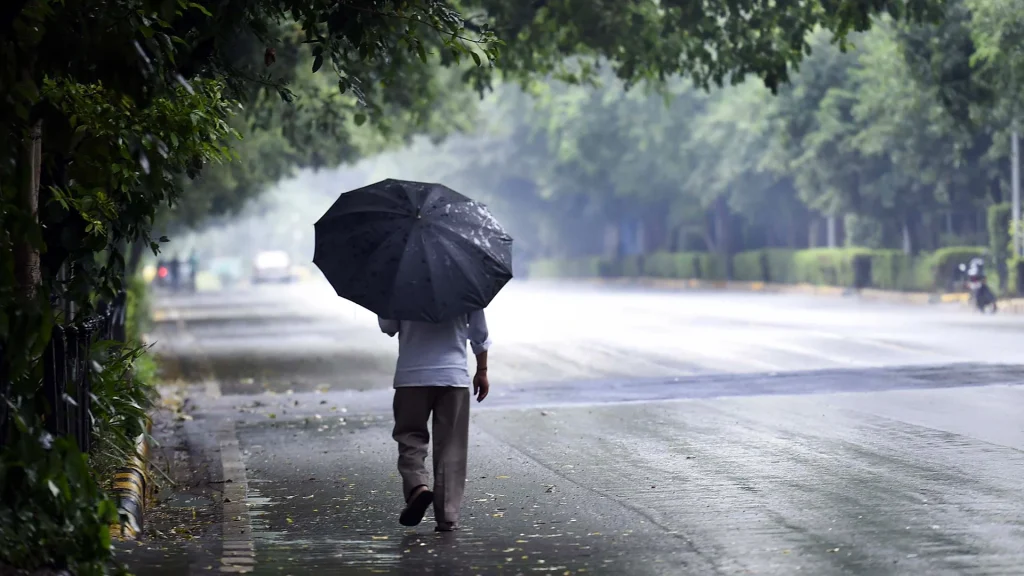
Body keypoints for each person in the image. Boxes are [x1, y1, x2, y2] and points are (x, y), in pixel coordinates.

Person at [378, 310, 491, 532]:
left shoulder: (399, 282)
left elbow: (388, 326)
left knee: (410, 437)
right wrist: (482, 370)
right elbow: (479, 334)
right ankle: (447, 515)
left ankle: (417, 487)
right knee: (451, 447)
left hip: (411, 377)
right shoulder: (467, 282)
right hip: (453, 377)